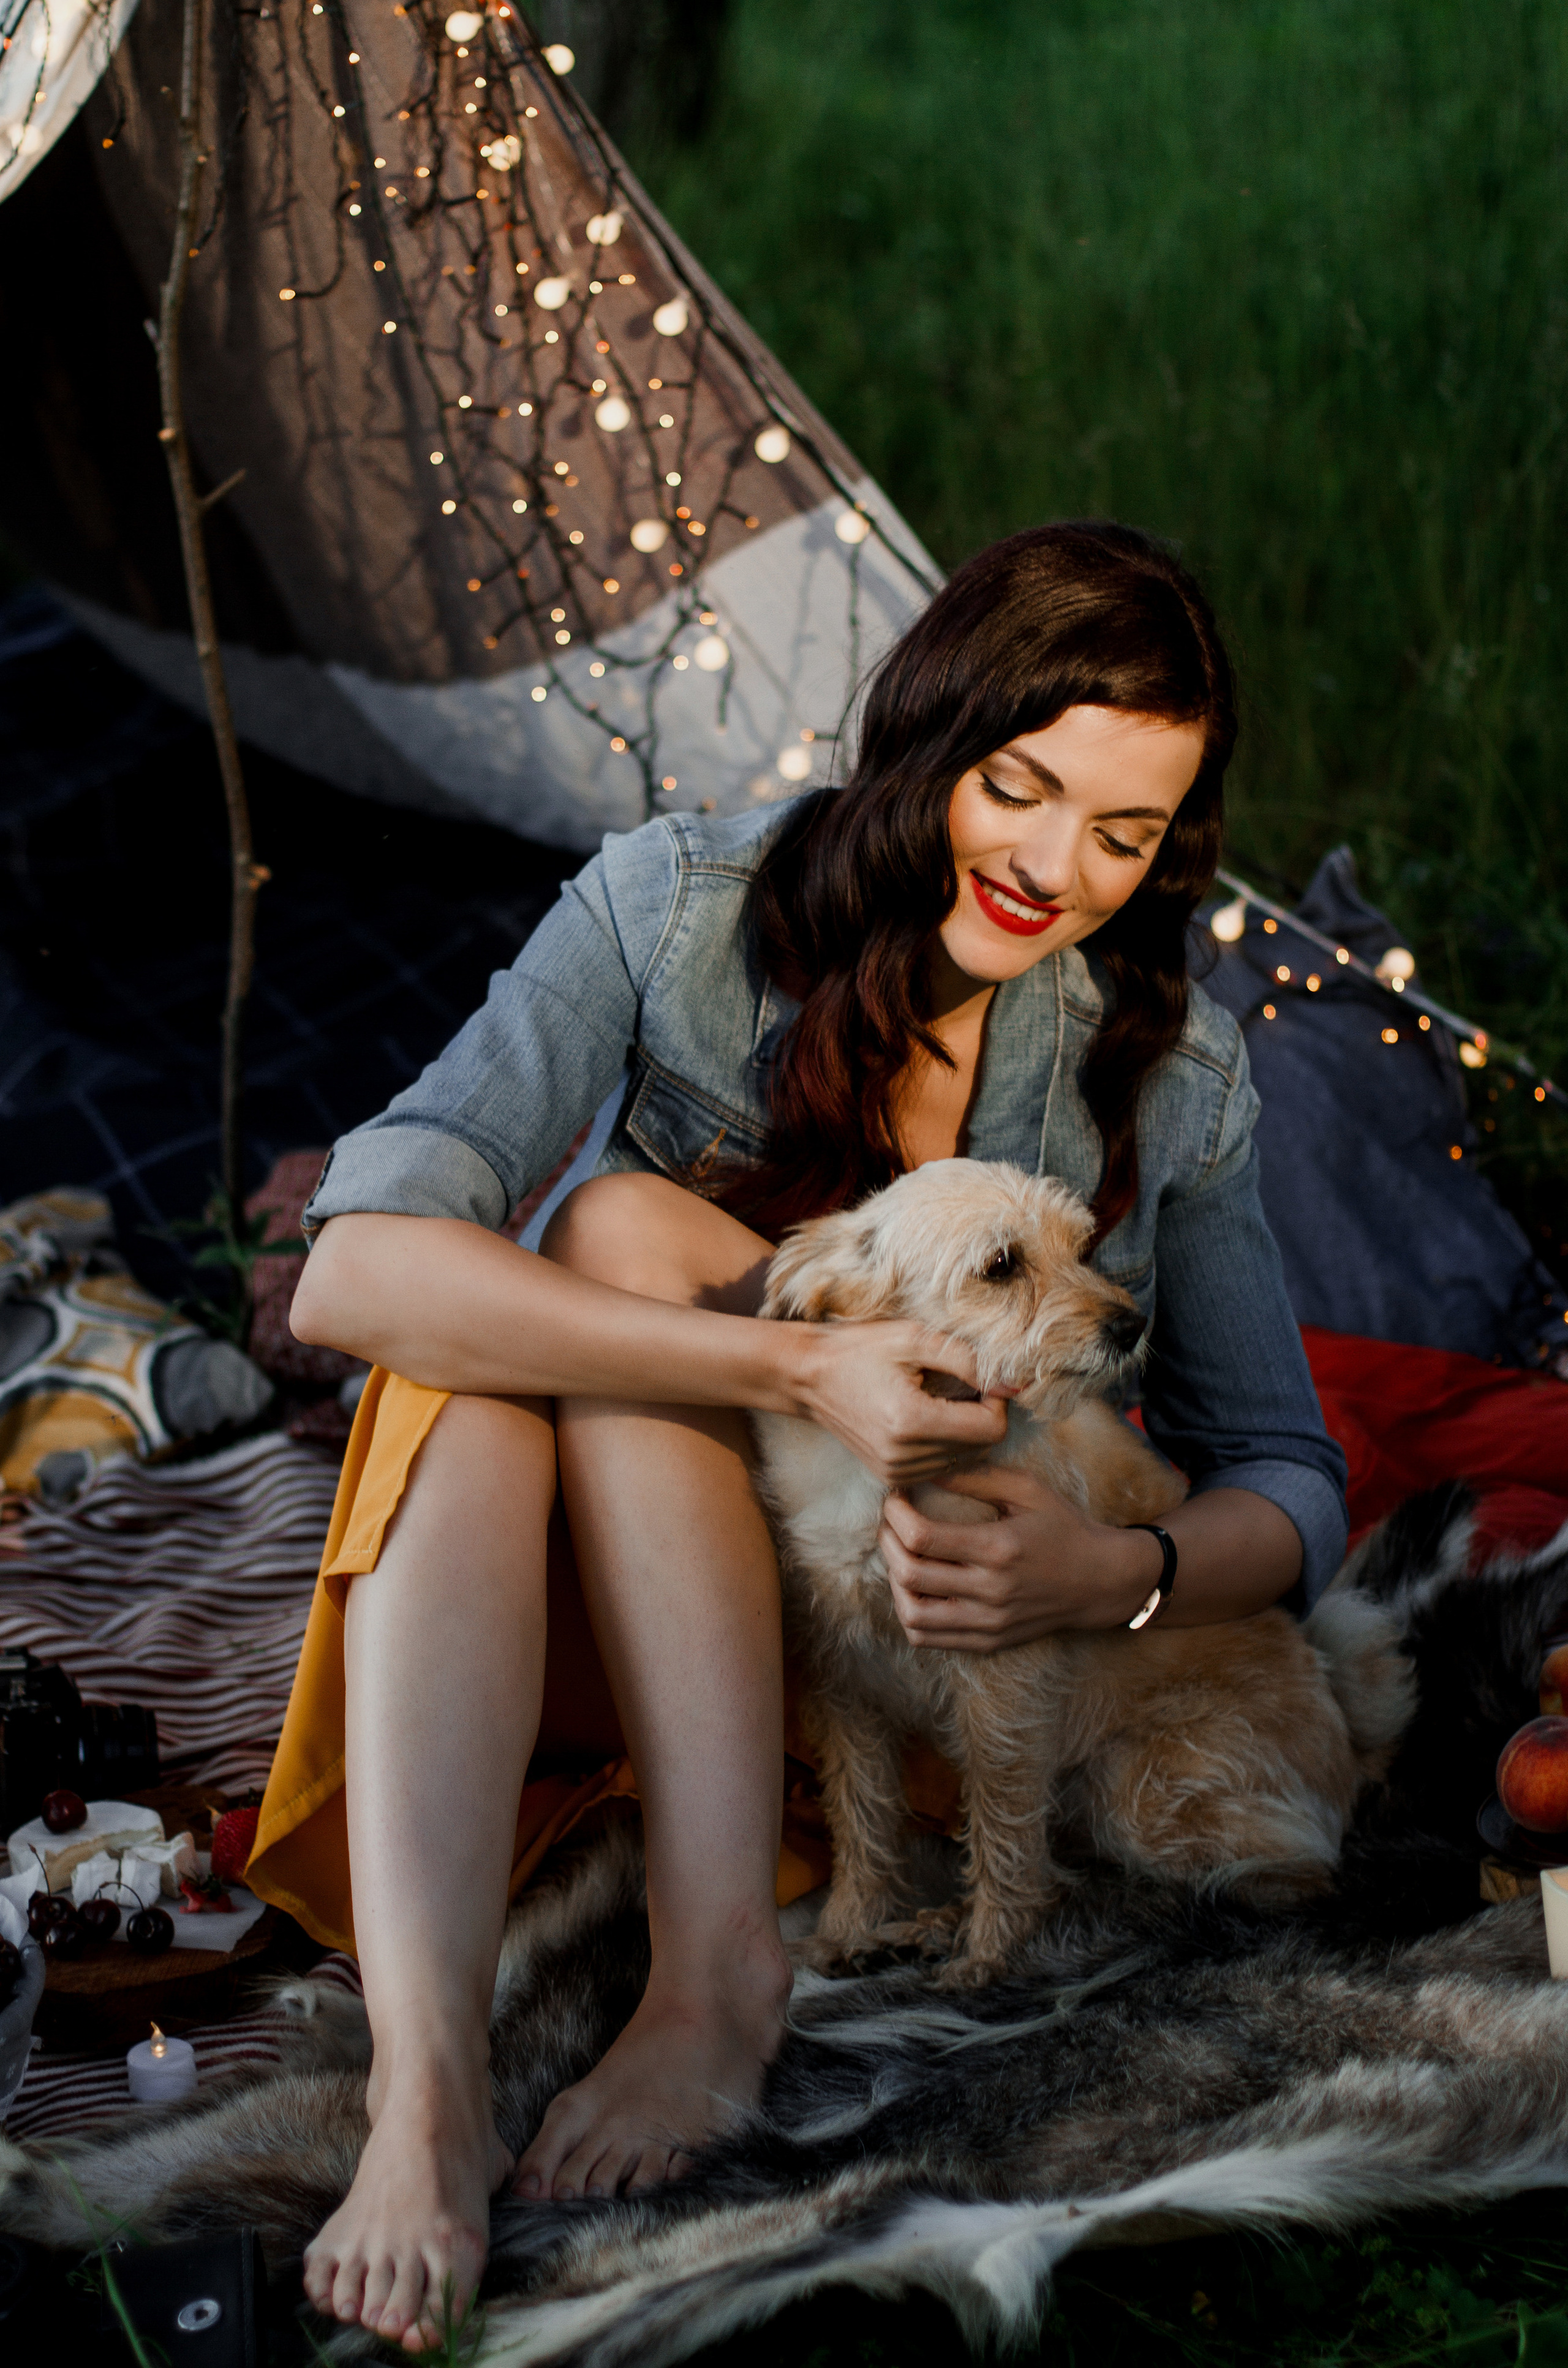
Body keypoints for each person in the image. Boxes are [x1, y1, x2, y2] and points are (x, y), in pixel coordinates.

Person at [251, 521, 1348, 2353]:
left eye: (1126, 835)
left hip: (912, 1685)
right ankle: (425, 2091)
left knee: (607, 1229)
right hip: (609, 1626)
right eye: (1020, 788)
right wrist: (789, 1370)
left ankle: (714, 1974)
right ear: (926, 736)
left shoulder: (1174, 1065)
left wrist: (1116, 1571)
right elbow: (352, 1271)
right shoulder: (677, 907)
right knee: (536, 1305)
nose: (1055, 868)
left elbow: (1295, 1478)